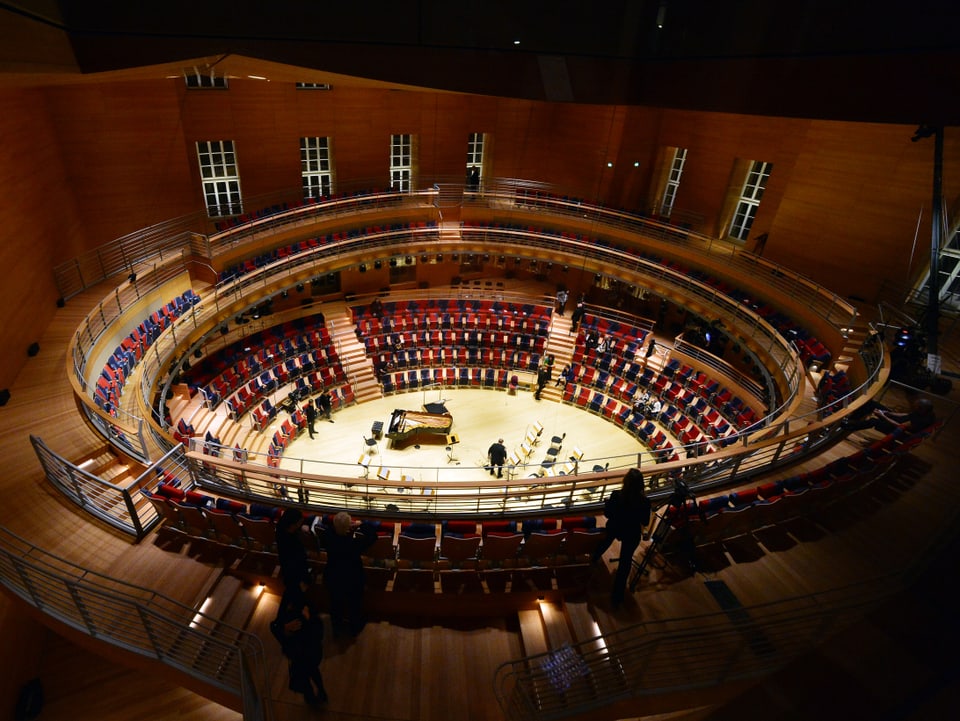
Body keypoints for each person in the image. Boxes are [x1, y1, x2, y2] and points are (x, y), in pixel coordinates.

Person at [592, 467, 651, 609]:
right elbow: (645, 522)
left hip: (615, 527)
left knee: (604, 543)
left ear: (626, 482)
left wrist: (609, 505)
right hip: (631, 532)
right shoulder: (645, 501)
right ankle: (617, 597)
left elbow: (608, 514)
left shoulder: (616, 495)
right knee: (625, 562)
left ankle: (592, 561)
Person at [322, 511, 377, 636]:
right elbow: (373, 536)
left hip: (333, 577)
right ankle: (355, 626)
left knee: (335, 604)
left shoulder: (327, 536)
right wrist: (361, 525)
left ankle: (337, 627)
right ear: (348, 528)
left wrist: (342, 527)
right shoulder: (354, 544)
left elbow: (331, 530)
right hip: (352, 579)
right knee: (354, 604)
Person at [270, 586, 327, 706]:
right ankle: (321, 692)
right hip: (312, 651)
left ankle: (312, 698)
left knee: (304, 677)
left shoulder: (288, 617)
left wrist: (284, 629)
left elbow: (274, 628)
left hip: (299, 654)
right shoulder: (308, 611)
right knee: (313, 671)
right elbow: (319, 632)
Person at [844, 397, 936, 435]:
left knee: (873, 421)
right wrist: (887, 413)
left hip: (896, 429)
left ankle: (847, 427)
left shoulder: (922, 420)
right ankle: (853, 419)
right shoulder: (921, 411)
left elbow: (900, 426)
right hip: (896, 420)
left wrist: (882, 416)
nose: (913, 407)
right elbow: (906, 415)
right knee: (872, 404)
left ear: (921, 408)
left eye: (915, 406)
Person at [276, 508, 312, 593]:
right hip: (295, 574)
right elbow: (299, 562)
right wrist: (304, 580)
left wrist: (301, 526)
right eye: (299, 522)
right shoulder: (292, 545)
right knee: (297, 592)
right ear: (292, 525)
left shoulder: (281, 527)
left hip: (290, 571)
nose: (301, 523)